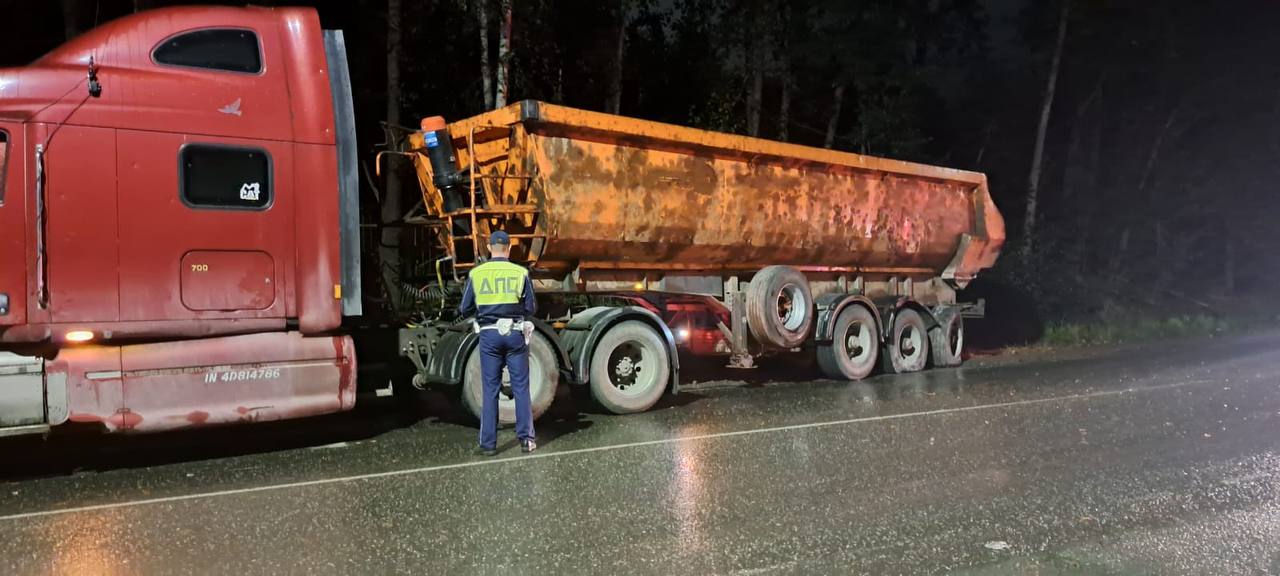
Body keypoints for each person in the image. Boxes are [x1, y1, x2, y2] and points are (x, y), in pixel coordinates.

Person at [457, 230, 538, 455]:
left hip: (489, 335)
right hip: (514, 334)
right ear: (509, 249)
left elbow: (464, 309)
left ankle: (488, 445)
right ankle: (526, 440)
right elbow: (532, 308)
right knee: (521, 387)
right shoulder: (520, 272)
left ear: (489, 248)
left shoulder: (477, 273)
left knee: (490, 389)